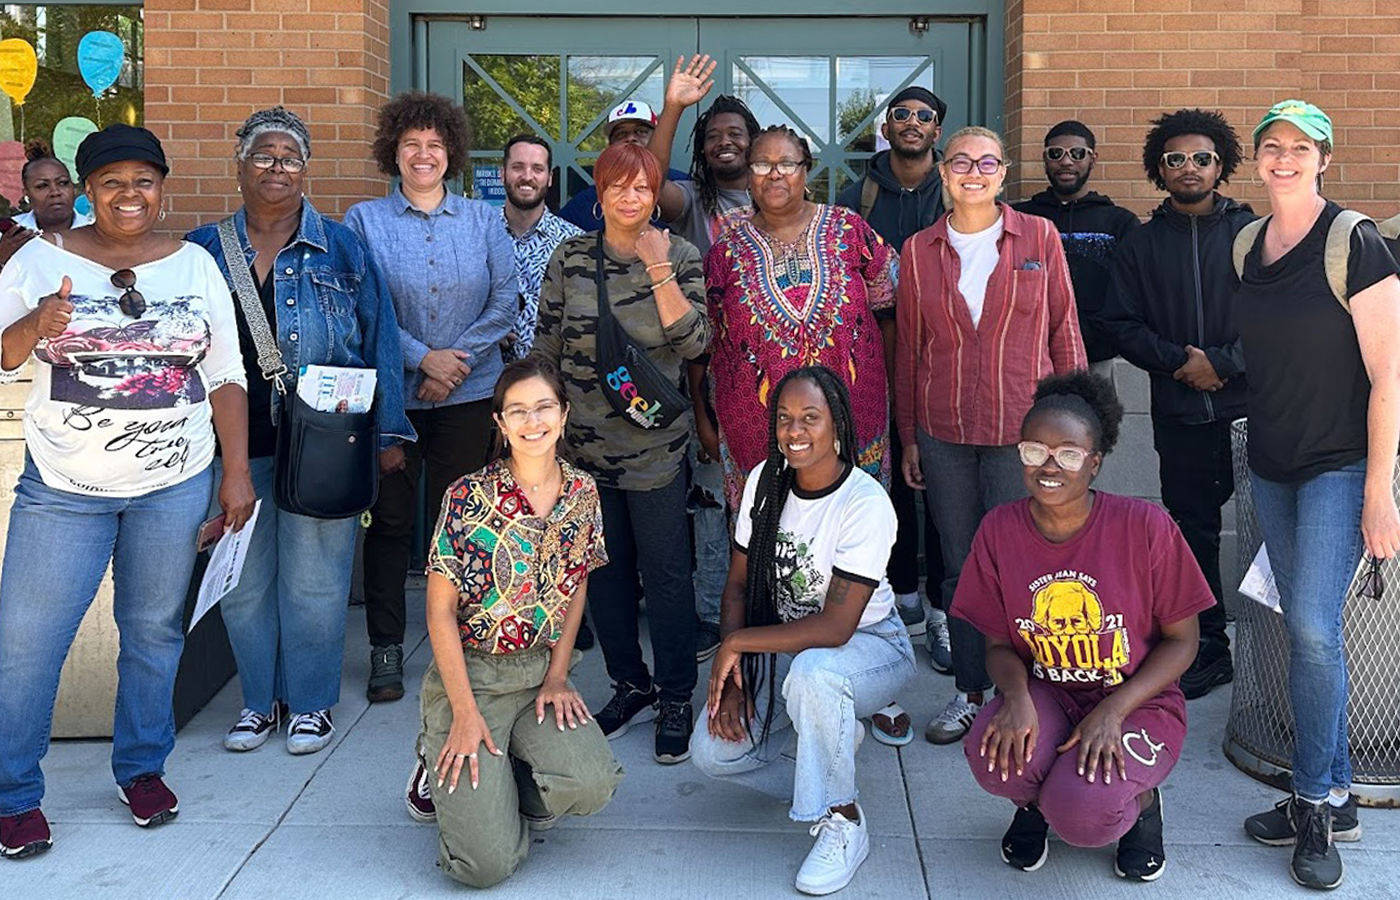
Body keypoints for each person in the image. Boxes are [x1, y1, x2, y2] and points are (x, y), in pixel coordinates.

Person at [0, 125, 254, 858]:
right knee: (25, 644)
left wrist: (234, 473)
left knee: (152, 634)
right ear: (87, 192)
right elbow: (5, 353)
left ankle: (141, 769)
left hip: (173, 486)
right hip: (64, 489)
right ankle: (14, 793)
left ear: (162, 187)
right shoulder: (39, 258)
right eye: (111, 182)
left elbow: (226, 374)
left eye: (143, 180)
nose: (129, 195)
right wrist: (34, 320)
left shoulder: (196, 265)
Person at [186, 107, 414, 755]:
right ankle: (260, 701)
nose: (276, 168)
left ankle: (311, 703)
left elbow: (381, 341)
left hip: (324, 446)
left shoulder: (343, 246)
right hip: (232, 447)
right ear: (239, 166)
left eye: (289, 157)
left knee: (315, 580)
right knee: (245, 581)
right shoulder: (201, 251)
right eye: (263, 155)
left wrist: (388, 434)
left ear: (305, 169)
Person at [1233, 100, 1400, 891]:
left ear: (1325, 158)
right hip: (1273, 463)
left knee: (1310, 628)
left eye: (1301, 147)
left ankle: (1310, 805)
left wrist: (1379, 492)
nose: (1285, 158)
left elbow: (1390, 375)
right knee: (1307, 630)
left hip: (1337, 465)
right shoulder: (1245, 245)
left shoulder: (1355, 242)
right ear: (1257, 160)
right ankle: (1333, 795)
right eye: (1273, 147)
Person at [957, 371, 1212, 882]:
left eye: (1069, 454)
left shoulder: (1144, 527)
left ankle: (1139, 807)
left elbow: (1184, 641)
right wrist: (1016, 697)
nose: (1050, 466)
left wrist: (1114, 711)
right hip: (1048, 691)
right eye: (1035, 450)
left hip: (1137, 699)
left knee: (1084, 816)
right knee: (993, 752)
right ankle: (1035, 803)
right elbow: (999, 643)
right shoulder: (999, 529)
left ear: (1094, 463)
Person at [701, 125, 908, 743]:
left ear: (806, 168)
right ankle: (769, 671)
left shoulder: (850, 232)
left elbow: (889, 311)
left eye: (785, 163)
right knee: (771, 555)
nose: (772, 175)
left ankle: (873, 680)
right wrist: (707, 416)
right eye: (761, 165)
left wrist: (887, 393)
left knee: (856, 553)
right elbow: (708, 343)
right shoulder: (726, 250)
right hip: (757, 436)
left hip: (856, 430)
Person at [690, 365, 915, 896]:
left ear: (836, 423)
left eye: (810, 418)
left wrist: (736, 645)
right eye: (785, 418)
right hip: (789, 646)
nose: (795, 431)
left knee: (817, 675)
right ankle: (833, 743)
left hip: (872, 646)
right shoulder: (764, 482)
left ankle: (844, 818)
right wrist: (737, 676)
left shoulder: (864, 502)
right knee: (713, 753)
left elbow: (837, 627)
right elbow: (739, 586)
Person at [895, 126, 1085, 746]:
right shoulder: (919, 251)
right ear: (943, 175)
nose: (973, 172)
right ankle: (970, 693)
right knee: (961, 565)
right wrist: (909, 436)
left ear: (1003, 174)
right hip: (944, 429)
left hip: (1023, 436)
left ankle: (1033, 696)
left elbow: (1065, 334)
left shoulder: (1039, 237)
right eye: (960, 162)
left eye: (987, 162)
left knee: (1026, 564)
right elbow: (910, 351)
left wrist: (1078, 433)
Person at [403, 357, 623, 888]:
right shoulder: (466, 496)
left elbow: (577, 585)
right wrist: (461, 712)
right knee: (484, 868)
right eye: (517, 411)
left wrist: (558, 674)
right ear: (500, 424)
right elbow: (438, 611)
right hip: (473, 677)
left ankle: (507, 779)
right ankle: (432, 765)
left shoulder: (582, 493)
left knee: (592, 785)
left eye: (544, 406)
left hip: (538, 672)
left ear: (564, 414)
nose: (533, 421)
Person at [532, 141, 710, 764]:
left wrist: (660, 268)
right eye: (618, 186)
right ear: (600, 192)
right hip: (582, 451)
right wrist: (539, 433)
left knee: (665, 579)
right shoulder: (572, 256)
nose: (630, 198)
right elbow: (546, 345)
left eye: (642, 187)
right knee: (603, 577)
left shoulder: (679, 253)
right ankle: (629, 685)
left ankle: (677, 697)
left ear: (655, 191)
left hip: (655, 451)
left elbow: (695, 345)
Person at [346, 91, 518, 704]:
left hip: (470, 396)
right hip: (395, 399)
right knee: (391, 521)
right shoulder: (363, 222)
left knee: (465, 522)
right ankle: (386, 648)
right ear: (394, 152)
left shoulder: (482, 219)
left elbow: (505, 301)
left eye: (435, 146)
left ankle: (467, 640)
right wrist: (423, 359)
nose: (424, 155)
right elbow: (365, 308)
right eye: (412, 144)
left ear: (453, 154)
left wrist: (451, 365)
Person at [1101, 109, 1255, 700]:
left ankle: (1278, 646)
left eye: (1201, 158)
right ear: (1158, 171)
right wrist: (1180, 364)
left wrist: (1225, 362)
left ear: (1221, 166)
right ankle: (1209, 649)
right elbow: (1120, 323)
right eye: (1175, 160)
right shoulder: (1139, 245)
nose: (1188, 168)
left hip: (1252, 413)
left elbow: (1278, 319)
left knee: (1271, 533)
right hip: (1181, 413)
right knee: (1193, 534)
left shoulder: (1254, 236)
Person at [649, 57, 764, 663]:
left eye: (735, 133)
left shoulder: (780, 197)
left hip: (777, 378)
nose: (724, 141)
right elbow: (647, 182)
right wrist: (675, 107)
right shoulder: (692, 202)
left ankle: (776, 611)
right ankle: (712, 617)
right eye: (713, 134)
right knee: (713, 502)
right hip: (705, 376)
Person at [836, 86, 950, 674]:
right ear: (887, 126)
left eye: (923, 117)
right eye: (901, 115)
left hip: (947, 357)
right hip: (877, 358)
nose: (911, 123)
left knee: (943, 483)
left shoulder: (956, 189)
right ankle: (901, 596)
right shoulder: (859, 196)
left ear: (937, 130)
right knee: (889, 483)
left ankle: (943, 612)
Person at [1013, 121, 1140, 385]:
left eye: (1077, 154)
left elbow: (1130, 293)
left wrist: (1103, 337)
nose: (1066, 161)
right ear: (1045, 159)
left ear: (1093, 159)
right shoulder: (1020, 217)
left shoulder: (1119, 223)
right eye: (1056, 153)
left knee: (1094, 426)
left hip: (1095, 358)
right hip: (1029, 356)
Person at [500, 134, 582, 362]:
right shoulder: (478, 235)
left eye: (537, 169)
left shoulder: (573, 242)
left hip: (553, 380)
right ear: (502, 173)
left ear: (549, 178)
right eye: (518, 167)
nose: (527, 177)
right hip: (484, 382)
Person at [557, 99, 689, 233]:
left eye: (641, 132)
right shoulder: (585, 202)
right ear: (610, 146)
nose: (631, 138)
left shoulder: (682, 185)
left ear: (657, 138)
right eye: (621, 134)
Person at [0, 141, 94, 268]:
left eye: (63, 183)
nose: (55, 192)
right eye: (42, 186)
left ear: (73, 188)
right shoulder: (9, 235)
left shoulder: (97, 231)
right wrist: (2, 260)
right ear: (26, 193)